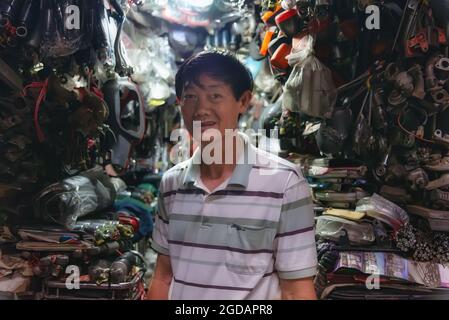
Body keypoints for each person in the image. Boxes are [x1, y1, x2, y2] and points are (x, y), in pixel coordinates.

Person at [146, 50, 317, 300]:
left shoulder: (285, 183)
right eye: (190, 96)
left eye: (215, 95)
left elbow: (296, 291)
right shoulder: (172, 183)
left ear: (243, 101)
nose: (201, 109)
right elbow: (162, 276)